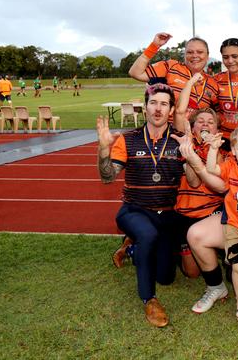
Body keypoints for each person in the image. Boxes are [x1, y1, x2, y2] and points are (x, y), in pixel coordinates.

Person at [96, 83, 185, 328]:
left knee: (166, 277)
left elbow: (196, 180)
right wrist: (104, 148)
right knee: (147, 234)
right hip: (134, 210)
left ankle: (130, 247)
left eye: (164, 104)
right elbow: (107, 177)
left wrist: (193, 157)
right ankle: (149, 299)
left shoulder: (180, 140)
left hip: (166, 215)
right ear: (145, 107)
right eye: (153, 103)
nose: (158, 109)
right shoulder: (129, 139)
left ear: (171, 110)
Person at [180, 125, 238, 323]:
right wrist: (213, 149)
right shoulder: (230, 166)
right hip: (234, 227)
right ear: (233, 151)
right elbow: (211, 169)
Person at [129, 32, 219, 116]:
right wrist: (154, 46)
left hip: (195, 132)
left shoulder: (212, 83)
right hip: (168, 131)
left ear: (207, 56)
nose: (194, 55)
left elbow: (218, 114)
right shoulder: (171, 67)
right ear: (184, 55)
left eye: (200, 52)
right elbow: (135, 73)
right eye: (190, 52)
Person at [214, 38, 238, 138]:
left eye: (235, 56)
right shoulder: (216, 79)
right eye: (225, 57)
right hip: (223, 137)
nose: (230, 61)